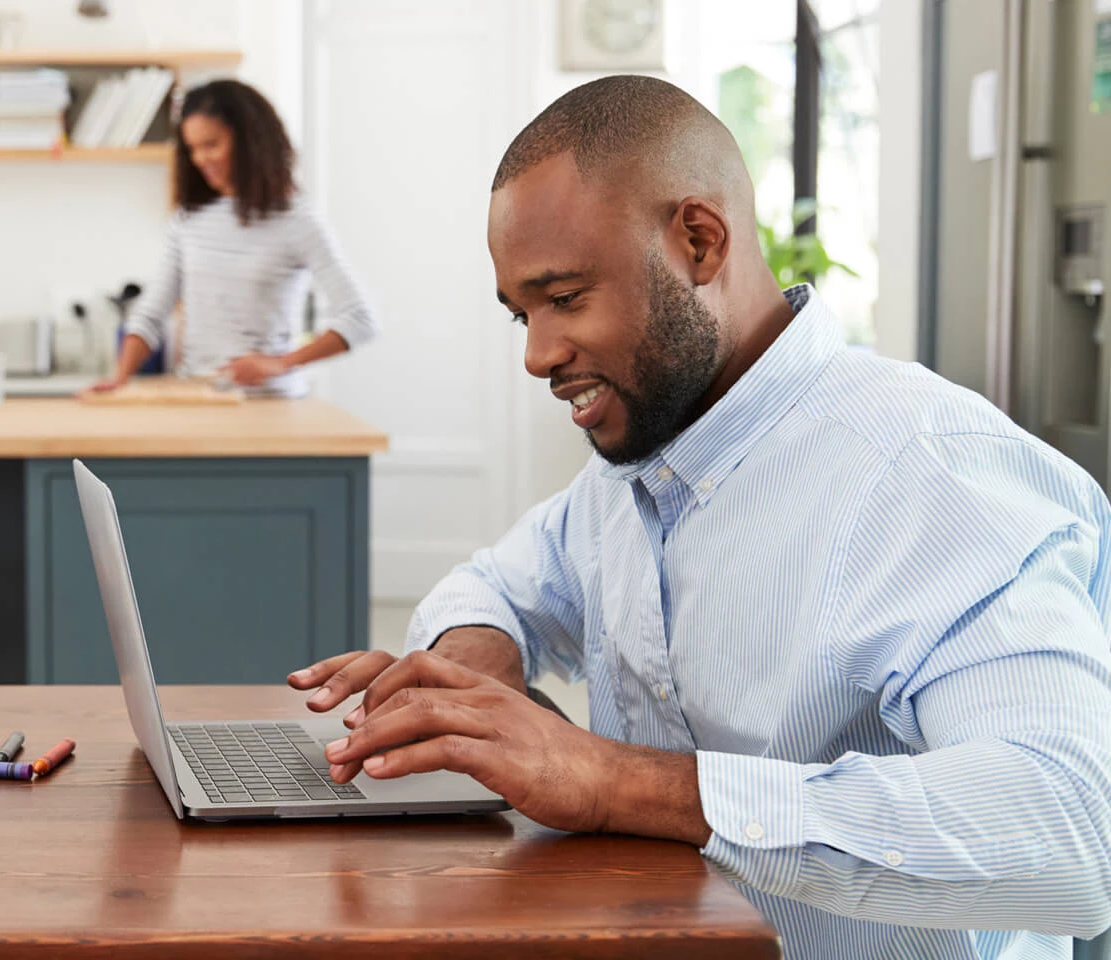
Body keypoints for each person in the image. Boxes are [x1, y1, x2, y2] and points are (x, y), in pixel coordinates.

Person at [289, 76, 1111, 958]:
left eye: (564, 298)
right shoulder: (646, 451)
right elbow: (495, 585)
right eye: (521, 313)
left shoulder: (925, 470)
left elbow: (1073, 830)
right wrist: (474, 679)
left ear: (699, 241)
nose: (536, 355)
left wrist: (615, 783)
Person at [84, 79, 378, 399]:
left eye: (211, 145)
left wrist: (281, 363)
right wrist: (120, 377)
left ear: (251, 141)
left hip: (270, 405)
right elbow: (152, 313)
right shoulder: (188, 220)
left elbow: (359, 318)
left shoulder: (297, 220)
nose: (200, 159)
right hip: (201, 399)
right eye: (192, 148)